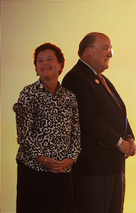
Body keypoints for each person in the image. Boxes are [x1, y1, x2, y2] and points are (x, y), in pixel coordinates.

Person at [62, 32, 136, 213]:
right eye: (105, 49)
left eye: (111, 49)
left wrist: (129, 137)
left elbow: (119, 111)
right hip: (93, 168)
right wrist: (120, 143)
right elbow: (90, 119)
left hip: (111, 164)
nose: (110, 54)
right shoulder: (76, 78)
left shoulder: (100, 77)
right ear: (88, 51)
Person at [13, 43, 81, 213]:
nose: (44, 64)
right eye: (39, 61)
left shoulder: (69, 97)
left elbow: (76, 133)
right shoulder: (28, 93)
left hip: (62, 171)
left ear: (61, 65)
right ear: (36, 68)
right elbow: (24, 134)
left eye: (49, 59)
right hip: (34, 171)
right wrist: (43, 160)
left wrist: (71, 159)